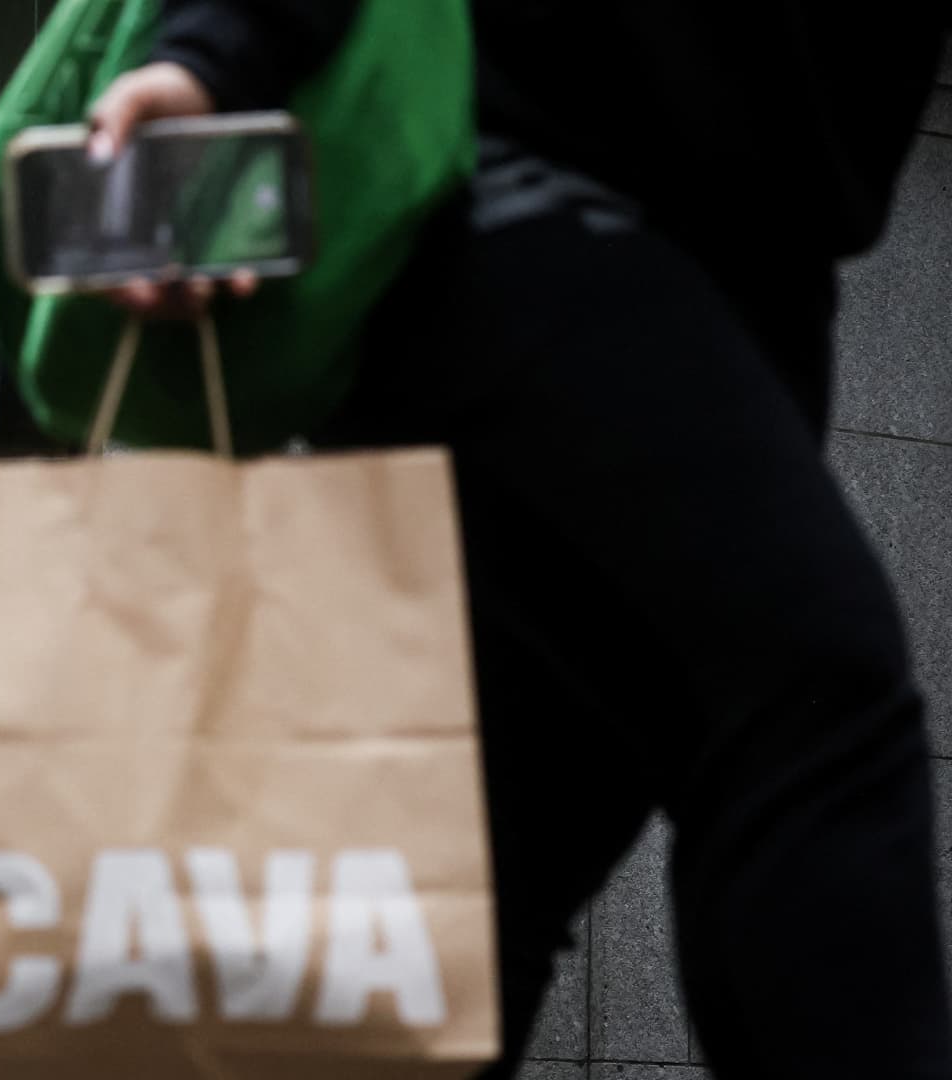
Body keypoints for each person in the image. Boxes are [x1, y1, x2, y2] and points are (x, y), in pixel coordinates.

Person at [85, 4, 952, 1078]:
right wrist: (216, 49)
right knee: (815, 705)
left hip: (743, 276)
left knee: (484, 883)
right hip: (510, 182)